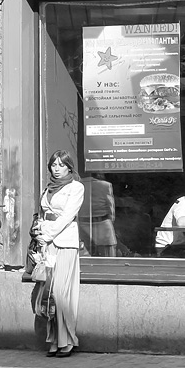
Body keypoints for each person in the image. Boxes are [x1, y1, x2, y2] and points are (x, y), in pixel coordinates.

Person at [36, 150, 84, 357]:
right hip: (47, 243)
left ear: (69, 167)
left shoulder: (76, 187)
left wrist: (47, 234)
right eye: (53, 165)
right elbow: (42, 213)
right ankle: (54, 340)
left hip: (64, 243)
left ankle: (69, 339)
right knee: (49, 294)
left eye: (61, 165)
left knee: (60, 294)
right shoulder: (48, 188)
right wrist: (39, 232)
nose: (56, 169)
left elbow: (67, 216)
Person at [79, 173, 118, 257]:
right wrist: (111, 221)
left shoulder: (76, 185)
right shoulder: (105, 185)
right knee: (107, 257)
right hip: (103, 224)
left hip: (81, 224)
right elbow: (110, 207)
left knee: (83, 257)